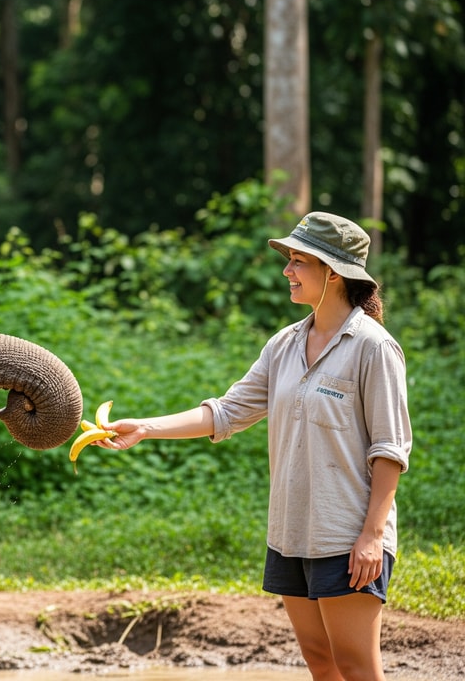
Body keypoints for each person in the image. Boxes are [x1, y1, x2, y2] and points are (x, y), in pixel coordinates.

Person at [103, 212, 412, 681]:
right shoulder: (284, 345)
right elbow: (226, 412)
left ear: (333, 272)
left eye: (298, 261)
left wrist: (371, 536)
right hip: (290, 533)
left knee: (356, 666)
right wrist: (145, 426)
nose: (287, 271)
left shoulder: (373, 347)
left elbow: (390, 449)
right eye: (288, 260)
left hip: (346, 536)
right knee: (320, 663)